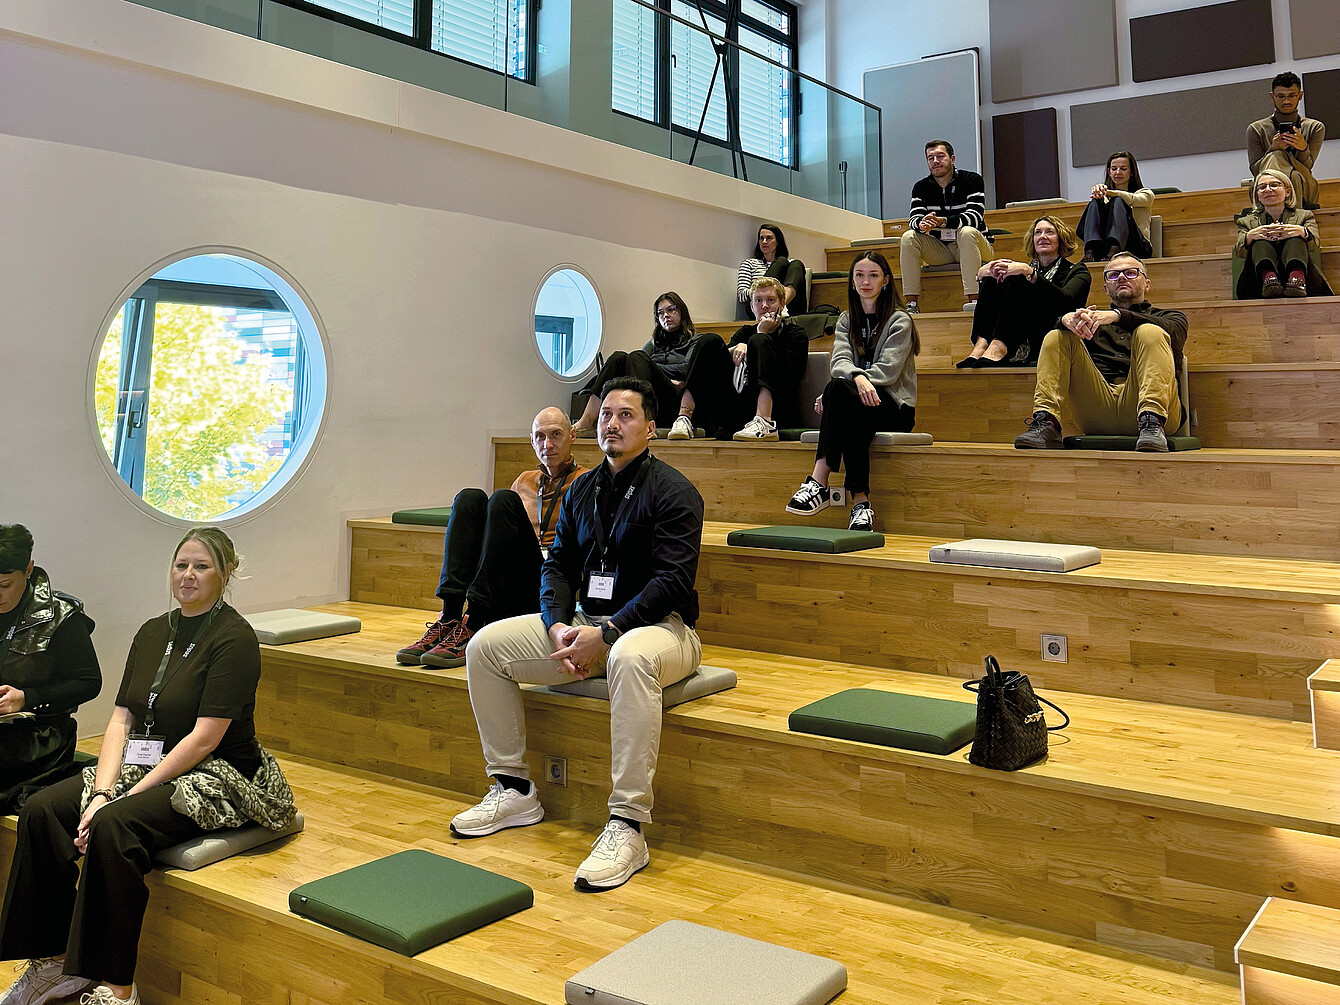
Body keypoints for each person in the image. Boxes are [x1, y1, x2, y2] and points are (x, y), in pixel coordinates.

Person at [0, 527, 296, 1005]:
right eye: (182, 565)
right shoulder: (153, 630)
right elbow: (122, 717)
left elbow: (205, 739)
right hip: (152, 758)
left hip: (220, 773)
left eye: (202, 567)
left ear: (226, 573)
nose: (188, 576)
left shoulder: (235, 638)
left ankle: (118, 987)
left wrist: (124, 799)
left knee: (117, 826)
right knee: (42, 810)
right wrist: (101, 791)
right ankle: (54, 962)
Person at [451, 377, 703, 893]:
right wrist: (559, 624)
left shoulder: (675, 491)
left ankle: (628, 825)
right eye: (606, 414)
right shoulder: (583, 490)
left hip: (661, 630)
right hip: (588, 623)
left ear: (651, 428)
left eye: (626, 415)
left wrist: (607, 633)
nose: (612, 423)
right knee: (485, 647)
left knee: (629, 657)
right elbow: (557, 565)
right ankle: (514, 787)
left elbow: (673, 581)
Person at [396, 407, 588, 668]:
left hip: (547, 584)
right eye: (540, 437)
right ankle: (450, 617)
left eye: (556, 435)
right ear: (531, 441)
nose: (548, 444)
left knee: (501, 500)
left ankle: (474, 621)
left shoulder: (586, 481)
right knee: (469, 498)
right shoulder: (525, 481)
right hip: (507, 584)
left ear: (572, 435)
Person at [784, 252, 917, 532]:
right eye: (859, 275)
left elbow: (888, 370)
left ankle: (819, 481)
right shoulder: (846, 319)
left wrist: (846, 386)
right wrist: (853, 382)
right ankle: (860, 504)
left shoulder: (900, 320)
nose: (865, 281)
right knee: (846, 402)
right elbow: (839, 361)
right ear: (852, 280)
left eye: (873, 275)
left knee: (839, 393)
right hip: (860, 405)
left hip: (894, 406)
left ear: (885, 281)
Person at [1014, 252, 1186, 453]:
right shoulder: (1092, 321)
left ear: (1146, 284)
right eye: (1113, 275)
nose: (1121, 277)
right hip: (1098, 406)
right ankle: (1046, 422)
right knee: (1056, 336)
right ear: (1106, 289)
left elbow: (1174, 332)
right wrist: (1064, 320)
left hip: (1155, 411)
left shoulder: (1171, 317)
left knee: (1149, 331)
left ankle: (1152, 422)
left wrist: (1117, 316)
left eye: (1130, 273)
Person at [0, 524, 100, 815]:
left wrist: (26, 697)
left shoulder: (62, 617)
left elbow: (89, 683)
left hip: (39, 737)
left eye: (5, 585)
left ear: (29, 569)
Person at [570, 293, 730, 441]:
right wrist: (661, 372)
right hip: (654, 390)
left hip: (676, 399)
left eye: (671, 310)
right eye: (660, 313)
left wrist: (654, 368)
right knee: (619, 357)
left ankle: (639, 419)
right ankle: (587, 421)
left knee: (637, 358)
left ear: (682, 312)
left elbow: (685, 369)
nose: (666, 315)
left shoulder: (695, 341)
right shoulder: (655, 342)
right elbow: (637, 360)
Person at [958, 215, 1091, 367]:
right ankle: (981, 345)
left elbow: (1067, 302)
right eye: (1038, 232)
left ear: (1061, 238)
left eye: (1050, 232)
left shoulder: (1077, 270)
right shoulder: (1024, 271)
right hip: (1016, 328)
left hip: (1051, 331)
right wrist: (982, 276)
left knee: (1017, 276)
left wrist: (1031, 274)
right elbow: (997, 304)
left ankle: (999, 347)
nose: (1043, 237)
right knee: (996, 275)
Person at [898, 139, 991, 314]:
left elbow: (975, 217)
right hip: (941, 249)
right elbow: (913, 219)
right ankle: (911, 304)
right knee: (908, 237)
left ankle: (974, 301)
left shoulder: (972, 180)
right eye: (930, 158)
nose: (935, 161)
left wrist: (943, 221)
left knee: (967, 232)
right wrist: (921, 224)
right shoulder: (921, 187)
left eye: (940, 156)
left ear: (952, 158)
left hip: (974, 244)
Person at [720, 277, 809, 441]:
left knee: (759, 340)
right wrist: (735, 348)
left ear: (782, 304)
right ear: (752, 306)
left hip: (778, 409)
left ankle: (764, 421)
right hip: (742, 406)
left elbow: (789, 378)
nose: (764, 306)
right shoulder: (744, 333)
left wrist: (761, 335)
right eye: (758, 300)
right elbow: (723, 365)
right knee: (709, 341)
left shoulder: (796, 334)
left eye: (771, 300)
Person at [1233, 169, 1332, 300]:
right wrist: (1249, 237)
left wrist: (1303, 232)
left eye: (1274, 185)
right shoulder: (1246, 221)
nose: (1268, 190)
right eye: (1262, 187)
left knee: (1296, 238)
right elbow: (1239, 252)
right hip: (1258, 284)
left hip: (1305, 282)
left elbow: (1314, 246)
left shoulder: (1304, 216)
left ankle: (1296, 278)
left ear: (1288, 191)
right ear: (1257, 195)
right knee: (1259, 241)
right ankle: (1269, 278)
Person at [1247, 72, 1325, 210]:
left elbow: (1307, 167)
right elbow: (1255, 170)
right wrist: (1273, 149)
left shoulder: (1314, 127)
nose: (1286, 101)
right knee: (1282, 163)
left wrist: (1302, 148)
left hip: (1304, 184)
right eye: (1281, 96)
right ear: (1272, 97)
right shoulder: (1256, 129)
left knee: (1293, 174)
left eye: (1291, 96)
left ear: (1300, 96)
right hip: (1271, 183)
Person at [1075, 151, 1154, 261]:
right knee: (1095, 202)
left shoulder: (1146, 193)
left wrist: (1110, 192)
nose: (1118, 172)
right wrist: (1100, 197)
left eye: (1123, 169)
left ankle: (1115, 249)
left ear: (1131, 172)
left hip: (1137, 247)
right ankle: (1090, 251)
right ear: (1109, 172)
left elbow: (1132, 199)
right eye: (1114, 169)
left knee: (1117, 200)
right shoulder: (1105, 198)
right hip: (1105, 249)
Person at [735, 223, 808, 319]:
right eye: (761, 238)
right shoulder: (750, 263)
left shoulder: (790, 265)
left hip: (789, 309)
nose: (764, 242)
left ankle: (781, 305)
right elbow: (741, 295)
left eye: (769, 238)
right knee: (781, 261)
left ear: (778, 242)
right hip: (759, 308)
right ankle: (777, 306)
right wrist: (760, 292)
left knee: (796, 263)